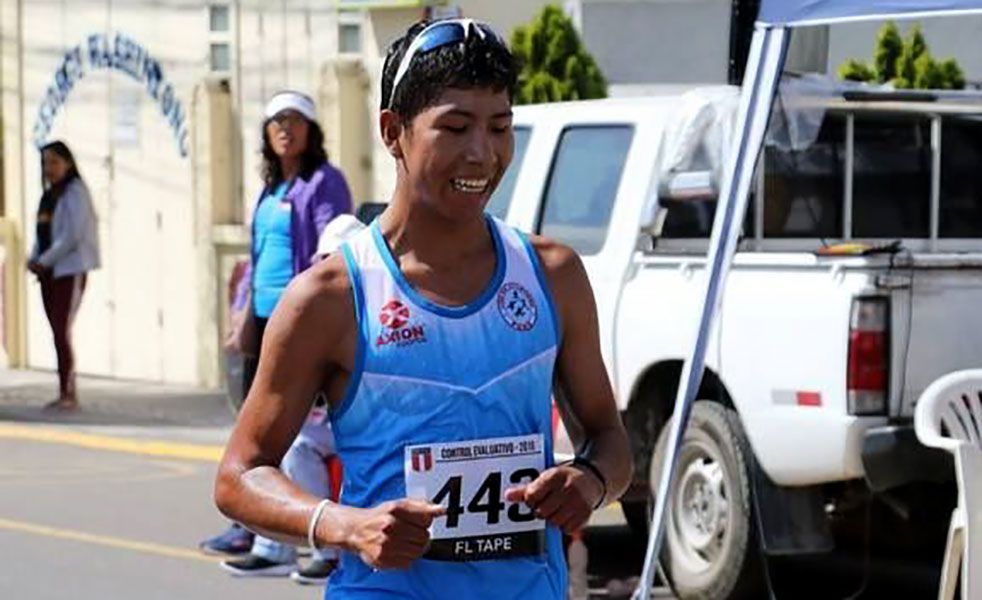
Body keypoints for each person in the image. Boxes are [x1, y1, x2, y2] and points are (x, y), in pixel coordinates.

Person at [214, 18, 632, 599]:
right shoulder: (331, 296)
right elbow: (238, 477)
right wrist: (345, 525)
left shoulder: (552, 275)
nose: (482, 154)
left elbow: (610, 440)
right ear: (393, 132)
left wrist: (588, 481)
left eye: (501, 126)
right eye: (455, 127)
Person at [200, 90, 353, 563]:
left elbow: (326, 252)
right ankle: (252, 520)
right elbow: (258, 257)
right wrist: (242, 312)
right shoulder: (270, 190)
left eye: (294, 120)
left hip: (297, 322)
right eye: (276, 122)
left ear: (311, 129)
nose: (285, 129)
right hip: (263, 318)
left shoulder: (324, 181)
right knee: (253, 422)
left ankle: (288, 531)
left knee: (294, 429)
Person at [27, 141, 100, 413]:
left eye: (55, 162)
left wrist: (44, 261)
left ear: (68, 163)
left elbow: (71, 236)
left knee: (62, 329)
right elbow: (42, 235)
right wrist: (35, 259)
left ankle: (69, 392)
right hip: (49, 273)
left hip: (69, 270)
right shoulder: (49, 196)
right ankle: (62, 391)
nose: (50, 169)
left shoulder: (75, 193)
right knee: (56, 332)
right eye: (46, 163)